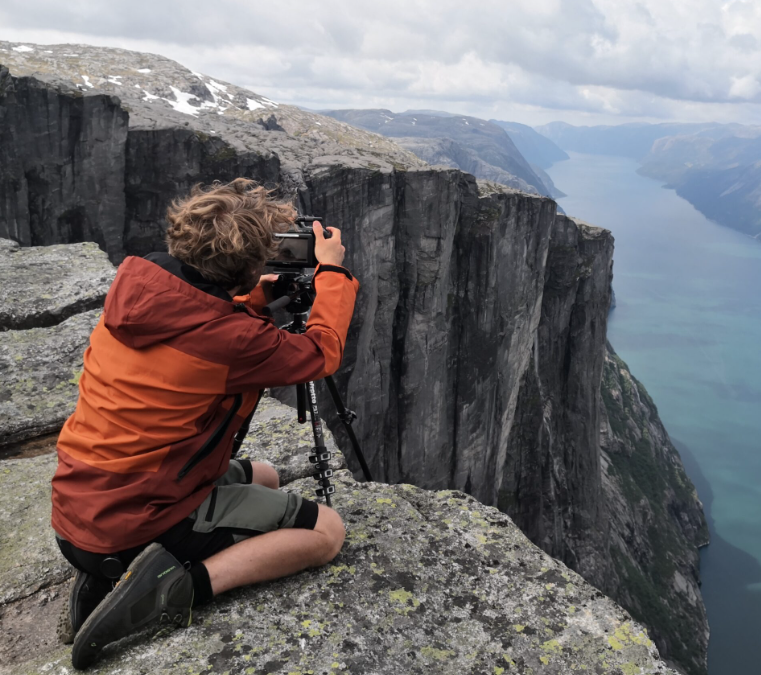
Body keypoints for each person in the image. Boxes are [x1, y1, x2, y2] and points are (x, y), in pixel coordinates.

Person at [50, 178, 359, 669]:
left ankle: (114, 569)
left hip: (83, 501)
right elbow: (320, 353)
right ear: (251, 263)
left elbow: (199, 320)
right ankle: (172, 588)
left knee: (266, 475)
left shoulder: (141, 283)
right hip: (136, 515)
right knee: (327, 533)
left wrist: (255, 297)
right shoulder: (233, 342)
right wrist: (333, 275)